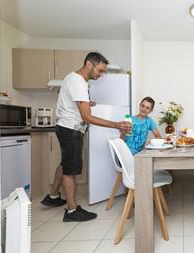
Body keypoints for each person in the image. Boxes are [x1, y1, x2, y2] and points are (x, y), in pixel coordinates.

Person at [41, 52, 131, 222]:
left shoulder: (72, 78)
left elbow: (73, 104)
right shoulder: (78, 82)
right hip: (71, 130)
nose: (101, 74)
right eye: (100, 70)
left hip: (65, 127)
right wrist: (116, 125)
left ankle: (52, 196)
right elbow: (87, 118)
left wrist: (87, 103)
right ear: (89, 64)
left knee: (65, 163)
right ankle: (72, 210)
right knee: (70, 170)